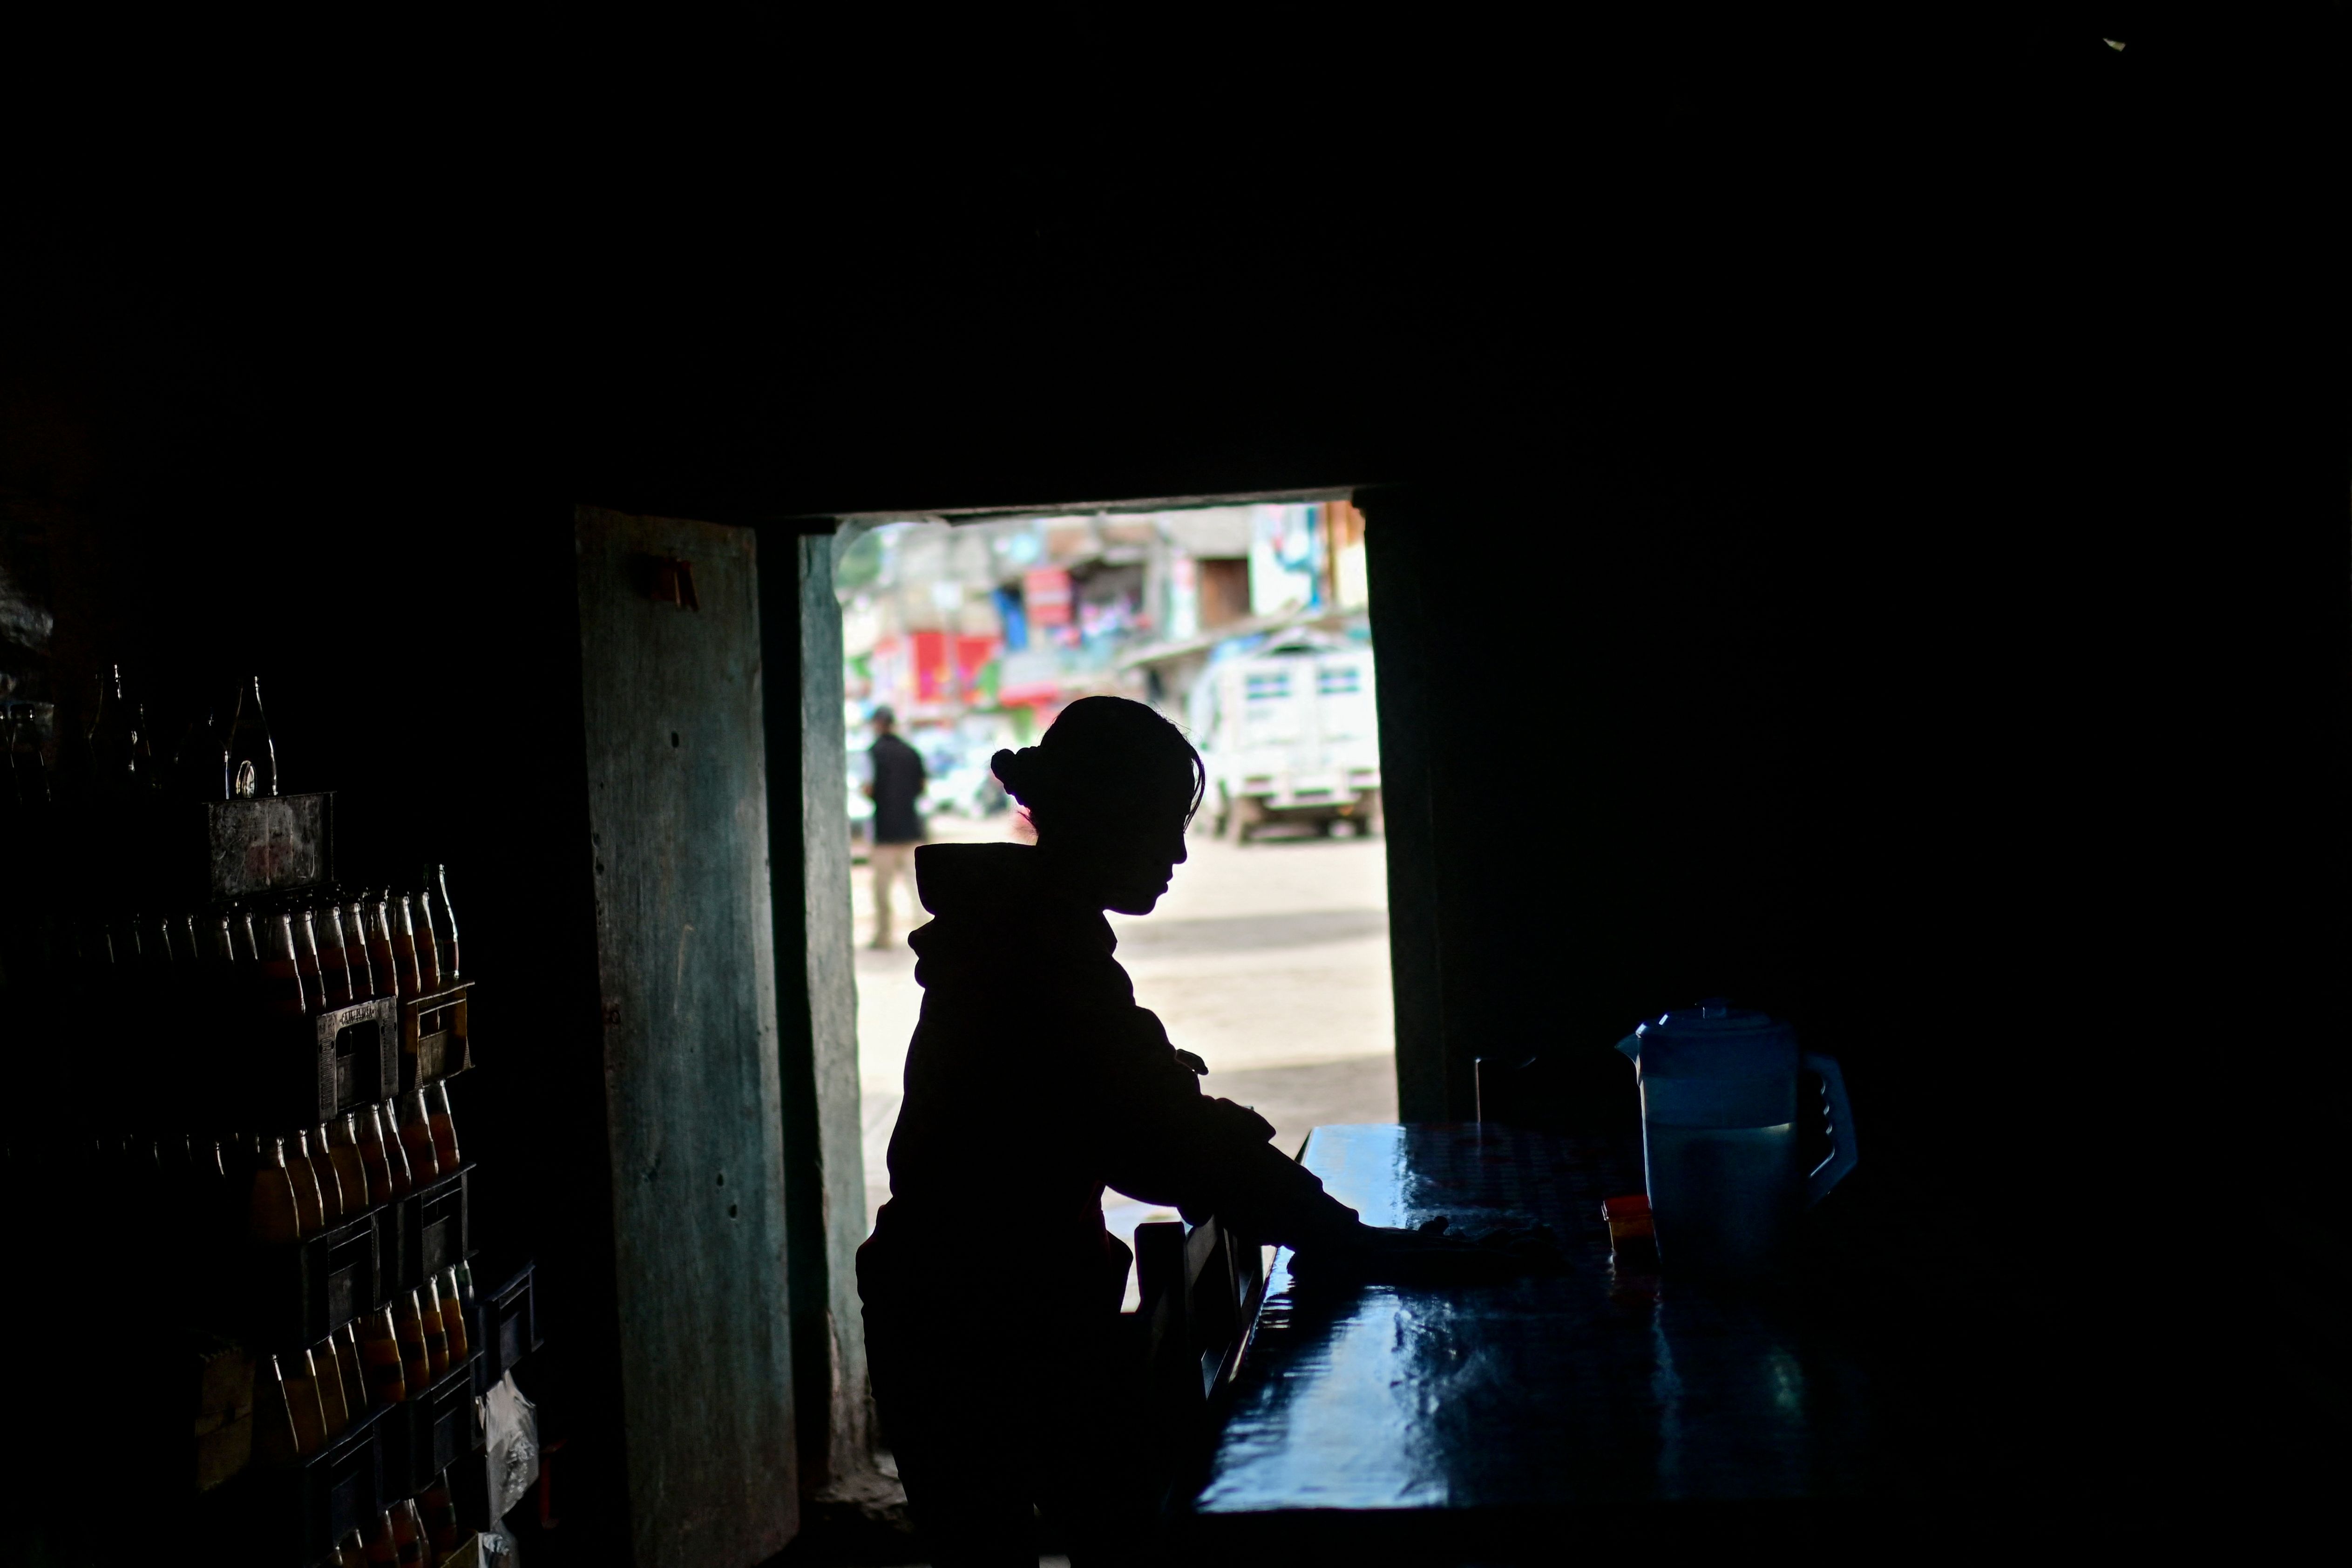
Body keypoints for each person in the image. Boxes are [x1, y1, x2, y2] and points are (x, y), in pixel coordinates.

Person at [856, 695, 1502, 1566]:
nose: (1178, 852)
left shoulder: (1029, 932)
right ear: (1099, 819)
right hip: (989, 1322)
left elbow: (1142, 1120)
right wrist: (1357, 1242)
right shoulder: (1039, 952)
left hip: (970, 1306)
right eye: (1158, 823)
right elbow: (1160, 1142)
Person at [863, 706, 927, 950]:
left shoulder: (872, 753)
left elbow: (868, 788)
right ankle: (926, 935)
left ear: (877, 725)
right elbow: (922, 787)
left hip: (885, 833)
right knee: (918, 886)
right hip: (911, 828)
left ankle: (884, 936)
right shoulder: (912, 753)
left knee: (882, 888)